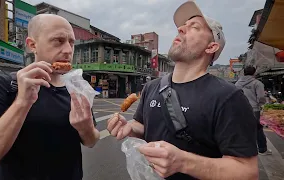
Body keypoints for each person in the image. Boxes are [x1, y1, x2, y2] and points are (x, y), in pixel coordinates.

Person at [107, 1, 258, 180]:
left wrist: (183, 162)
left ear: (211, 47)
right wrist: (130, 128)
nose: (180, 29)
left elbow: (247, 172)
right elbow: (143, 125)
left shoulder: (228, 97)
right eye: (181, 26)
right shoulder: (152, 87)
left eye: (194, 27)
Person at [0, 14, 100, 179]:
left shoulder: (77, 89)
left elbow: (91, 141)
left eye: (71, 42)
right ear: (32, 45)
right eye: (58, 40)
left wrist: (85, 128)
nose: (68, 50)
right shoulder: (3, 86)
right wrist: (22, 102)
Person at [235, 66, 272, 155]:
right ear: (254, 73)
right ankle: (262, 149)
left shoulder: (237, 84)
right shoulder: (257, 83)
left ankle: (243, 149)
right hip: (254, 109)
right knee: (257, 129)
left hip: (240, 109)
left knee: (242, 128)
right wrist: (260, 105)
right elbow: (261, 97)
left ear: (244, 73)